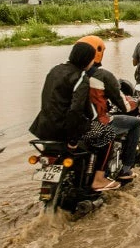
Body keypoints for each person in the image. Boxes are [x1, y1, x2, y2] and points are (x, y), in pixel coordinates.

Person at [29, 40, 117, 192]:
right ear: (87, 60)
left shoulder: (54, 70)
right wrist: (73, 140)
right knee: (108, 134)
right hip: (65, 129)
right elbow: (76, 111)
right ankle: (99, 179)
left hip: (43, 127)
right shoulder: (80, 77)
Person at [77, 36, 140, 190]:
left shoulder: (70, 74)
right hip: (97, 122)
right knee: (135, 123)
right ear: (98, 52)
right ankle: (126, 170)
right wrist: (139, 101)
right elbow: (125, 105)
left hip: (72, 126)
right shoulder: (103, 75)